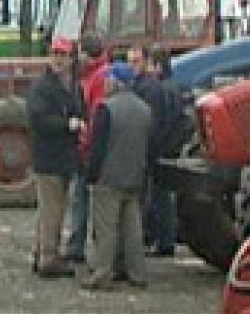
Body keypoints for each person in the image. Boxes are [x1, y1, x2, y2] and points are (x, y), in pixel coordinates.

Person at [79, 60, 153, 290]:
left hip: (109, 177)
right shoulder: (144, 108)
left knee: (106, 228)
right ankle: (137, 273)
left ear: (114, 81)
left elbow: (98, 146)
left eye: (107, 79)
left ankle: (102, 273)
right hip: (135, 176)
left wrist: (91, 174)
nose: (105, 83)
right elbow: (150, 145)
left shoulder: (106, 108)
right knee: (133, 228)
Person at [25, 38, 84, 278]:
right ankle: (48, 258)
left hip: (63, 156)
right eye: (55, 54)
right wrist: (67, 125)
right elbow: (38, 119)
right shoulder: (42, 87)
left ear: (71, 58)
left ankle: (42, 252)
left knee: (51, 208)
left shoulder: (72, 84)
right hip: (49, 156)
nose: (59, 59)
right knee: (53, 209)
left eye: (63, 54)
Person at [61, 32, 109, 263]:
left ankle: (78, 245)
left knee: (82, 198)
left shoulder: (97, 78)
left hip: (89, 146)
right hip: (87, 144)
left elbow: (96, 115)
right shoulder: (91, 75)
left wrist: (84, 138)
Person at [132, 46, 183, 257]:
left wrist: (152, 147)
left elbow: (158, 123)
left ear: (158, 66)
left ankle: (163, 240)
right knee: (161, 196)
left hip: (162, 149)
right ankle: (162, 237)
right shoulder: (170, 87)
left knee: (160, 196)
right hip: (168, 146)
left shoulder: (159, 91)